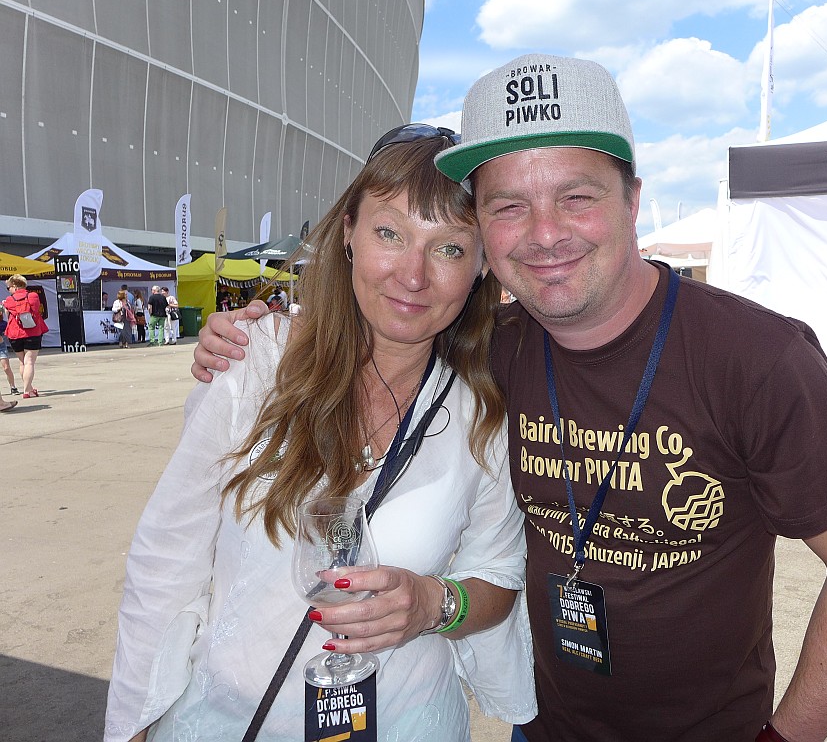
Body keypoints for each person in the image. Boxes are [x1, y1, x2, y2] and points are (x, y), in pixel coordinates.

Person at [193, 54, 827, 742]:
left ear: (632, 200)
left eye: (577, 197)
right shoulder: (487, 354)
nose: (545, 234)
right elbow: (383, 325)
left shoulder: (756, 359)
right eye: (509, 206)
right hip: (540, 728)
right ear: (483, 231)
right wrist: (264, 335)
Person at [105, 130, 535, 742]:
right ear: (349, 233)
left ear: (483, 265)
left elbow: (499, 574)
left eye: (448, 248)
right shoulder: (253, 363)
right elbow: (166, 559)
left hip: (408, 723)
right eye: (390, 233)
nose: (413, 275)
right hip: (230, 720)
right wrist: (133, 725)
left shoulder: (482, 413)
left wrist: (433, 604)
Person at [3, 274, 48, 399]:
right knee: (29, 362)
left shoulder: (9, 300)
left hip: (14, 334)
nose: (9, 290)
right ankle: (27, 390)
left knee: (22, 362)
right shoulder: (33, 296)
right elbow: (36, 311)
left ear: (15, 286)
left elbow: (7, 315)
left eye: (9, 287)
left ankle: (29, 388)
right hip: (32, 332)